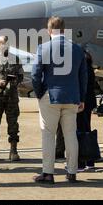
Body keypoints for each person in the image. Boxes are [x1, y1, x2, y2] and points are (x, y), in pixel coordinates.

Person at [31, 16, 88, 184]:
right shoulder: (77, 49)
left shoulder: (43, 48)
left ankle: (48, 173)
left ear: (49, 31)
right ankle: (71, 172)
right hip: (71, 97)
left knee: (48, 135)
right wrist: (82, 98)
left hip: (50, 96)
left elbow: (35, 74)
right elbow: (83, 76)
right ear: (64, 30)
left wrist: (39, 92)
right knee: (71, 135)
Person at [0, 36, 24, 162]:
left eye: (8, 44)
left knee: (13, 124)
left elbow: (21, 76)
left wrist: (14, 80)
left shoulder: (15, 59)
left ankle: (13, 150)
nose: (7, 46)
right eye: (4, 44)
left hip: (12, 96)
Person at [77, 49, 97, 170]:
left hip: (81, 102)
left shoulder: (83, 70)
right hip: (88, 102)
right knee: (86, 129)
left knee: (80, 131)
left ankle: (81, 162)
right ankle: (90, 160)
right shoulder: (90, 69)